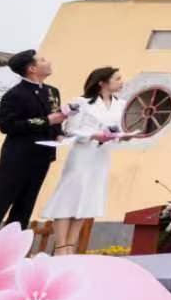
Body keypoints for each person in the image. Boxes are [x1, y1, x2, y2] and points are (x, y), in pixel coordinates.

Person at [44, 66, 124, 255]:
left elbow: (118, 129)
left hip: (101, 156)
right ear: (102, 82)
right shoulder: (81, 103)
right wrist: (93, 135)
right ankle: (61, 247)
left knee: (87, 199)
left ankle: (71, 246)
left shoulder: (121, 105)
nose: (122, 82)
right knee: (68, 197)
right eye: (117, 78)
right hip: (82, 154)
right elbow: (70, 129)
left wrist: (123, 136)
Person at [0, 49, 68, 232]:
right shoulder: (15, 94)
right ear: (32, 69)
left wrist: (59, 133)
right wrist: (46, 121)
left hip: (42, 156)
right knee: (3, 199)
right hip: (18, 157)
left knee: (25, 205)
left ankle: (14, 244)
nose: (48, 62)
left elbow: (55, 119)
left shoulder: (52, 91)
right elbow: (7, 125)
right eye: (42, 60)